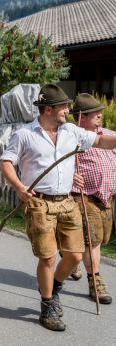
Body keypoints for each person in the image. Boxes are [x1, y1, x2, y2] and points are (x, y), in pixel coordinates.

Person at [0, 84, 116, 331]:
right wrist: (21, 188)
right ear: (48, 109)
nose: (68, 110)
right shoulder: (25, 135)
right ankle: (47, 304)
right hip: (39, 203)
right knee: (48, 257)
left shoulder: (71, 132)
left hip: (67, 202)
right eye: (64, 106)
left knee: (74, 255)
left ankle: (54, 286)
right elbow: (7, 162)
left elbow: (101, 141)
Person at [70, 93, 114, 304]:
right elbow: (57, 164)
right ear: (81, 117)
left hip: (106, 197)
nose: (99, 115)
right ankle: (95, 281)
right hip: (84, 195)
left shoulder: (107, 135)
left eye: (99, 112)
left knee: (101, 239)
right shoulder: (73, 138)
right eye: (94, 113)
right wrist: (71, 173)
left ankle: (70, 257)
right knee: (92, 242)